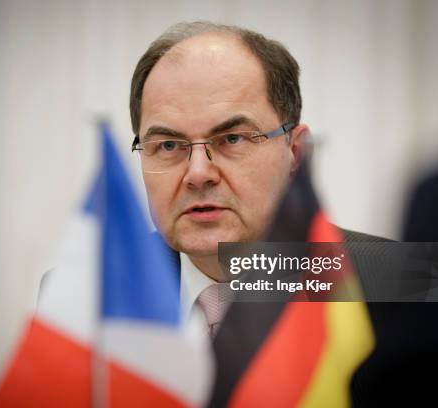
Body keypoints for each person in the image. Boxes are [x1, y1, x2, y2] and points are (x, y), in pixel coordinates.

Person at [128, 21, 387, 332]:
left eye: (233, 139)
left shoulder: (396, 290)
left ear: (296, 151)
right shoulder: (84, 297)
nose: (198, 174)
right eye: (169, 145)